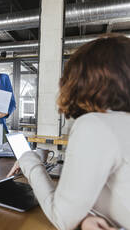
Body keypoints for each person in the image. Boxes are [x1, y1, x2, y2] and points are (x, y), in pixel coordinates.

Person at [7, 34, 130, 230]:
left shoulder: (96, 126)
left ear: (81, 80)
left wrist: (27, 158)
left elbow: (62, 218)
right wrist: (86, 217)